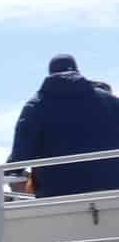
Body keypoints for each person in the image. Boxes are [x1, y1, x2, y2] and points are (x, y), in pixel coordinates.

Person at [7, 54, 119, 197]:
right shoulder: (109, 101)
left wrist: (11, 172)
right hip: (112, 190)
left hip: (57, 195)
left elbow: (20, 155)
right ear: (77, 71)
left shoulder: (35, 106)